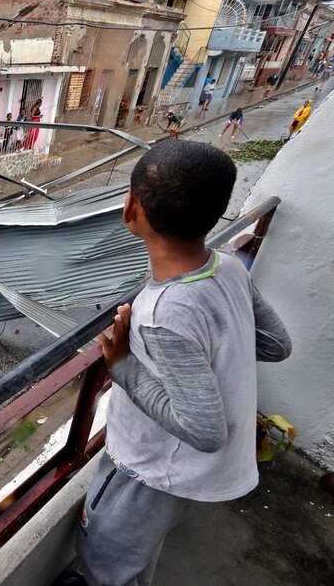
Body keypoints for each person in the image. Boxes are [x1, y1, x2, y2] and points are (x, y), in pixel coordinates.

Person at [75, 140, 292, 586]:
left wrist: (123, 367)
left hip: (151, 471)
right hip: (184, 475)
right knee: (138, 549)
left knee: (110, 558)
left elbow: (205, 431)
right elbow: (276, 345)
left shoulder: (162, 313)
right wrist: (212, 347)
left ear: (131, 207)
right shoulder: (228, 267)